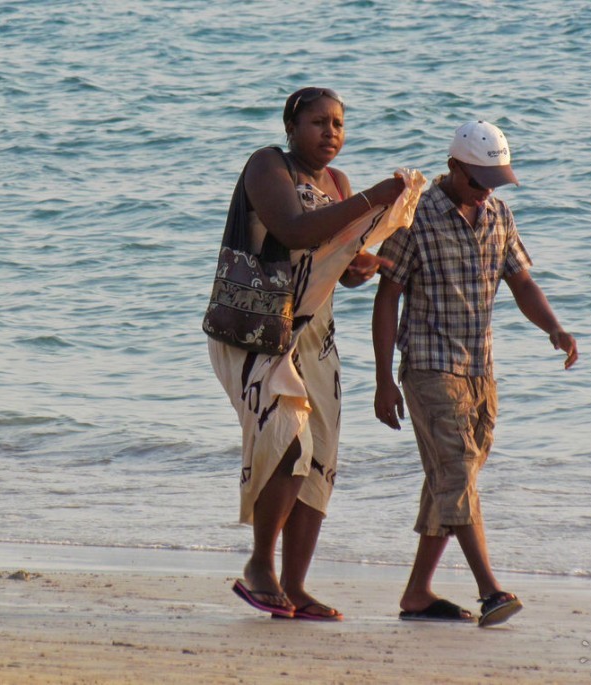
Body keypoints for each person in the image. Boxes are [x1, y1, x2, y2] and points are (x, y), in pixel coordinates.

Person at [208, 87, 415, 621]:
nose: (331, 132)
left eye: (339, 124)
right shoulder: (268, 166)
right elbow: (293, 230)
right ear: (291, 127)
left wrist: (359, 266)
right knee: (288, 442)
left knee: (320, 457)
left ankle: (295, 586)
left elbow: (335, 265)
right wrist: (372, 198)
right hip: (259, 327)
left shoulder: (337, 184)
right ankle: (260, 567)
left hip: (315, 334)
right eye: (319, 122)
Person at [372, 120, 578, 627]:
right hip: (428, 367)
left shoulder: (499, 216)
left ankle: (417, 593)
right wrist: (383, 379)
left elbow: (522, 282)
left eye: (495, 182)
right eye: (479, 181)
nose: (487, 191)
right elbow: (387, 296)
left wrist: (554, 328)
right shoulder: (415, 218)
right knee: (458, 473)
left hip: (481, 371)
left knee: (449, 480)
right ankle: (491, 590)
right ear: (453, 167)